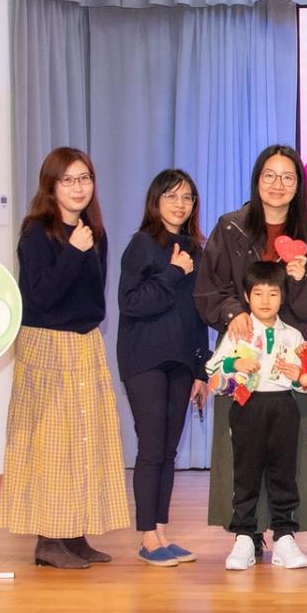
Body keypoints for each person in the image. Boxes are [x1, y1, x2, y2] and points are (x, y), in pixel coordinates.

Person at [0, 148, 133, 570]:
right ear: (51, 186)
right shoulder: (36, 232)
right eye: (69, 180)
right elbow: (40, 296)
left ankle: (75, 533)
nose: (79, 187)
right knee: (52, 443)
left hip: (84, 342)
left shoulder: (94, 231)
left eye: (85, 178)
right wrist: (73, 252)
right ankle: (49, 539)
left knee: (86, 438)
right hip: (47, 343)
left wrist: (82, 249)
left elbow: (94, 294)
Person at [193, 144, 307, 556]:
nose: (278, 184)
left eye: (287, 177)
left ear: (298, 185)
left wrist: (300, 281)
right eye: (270, 175)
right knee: (241, 452)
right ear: (257, 179)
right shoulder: (230, 227)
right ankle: (245, 534)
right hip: (244, 360)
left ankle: (285, 532)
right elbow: (208, 289)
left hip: (285, 363)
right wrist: (233, 311)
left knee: (287, 454)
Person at [116, 169, 212, 567]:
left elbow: (198, 315)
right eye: (171, 196)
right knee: (152, 447)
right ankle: (146, 538)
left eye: (187, 197)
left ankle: (161, 532)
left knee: (169, 450)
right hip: (144, 359)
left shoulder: (196, 250)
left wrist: (201, 370)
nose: (180, 204)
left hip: (181, 360)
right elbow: (131, 303)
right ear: (155, 201)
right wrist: (173, 273)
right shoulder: (141, 244)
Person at [211, 261, 307, 571]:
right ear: (246, 296)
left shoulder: (294, 335)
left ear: (282, 297)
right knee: (245, 473)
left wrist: (300, 377)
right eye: (258, 293)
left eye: (273, 293)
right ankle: (245, 536)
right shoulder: (237, 333)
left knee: (284, 473)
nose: (265, 301)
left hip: (284, 407)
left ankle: (284, 536)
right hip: (247, 407)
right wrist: (233, 365)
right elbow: (214, 374)